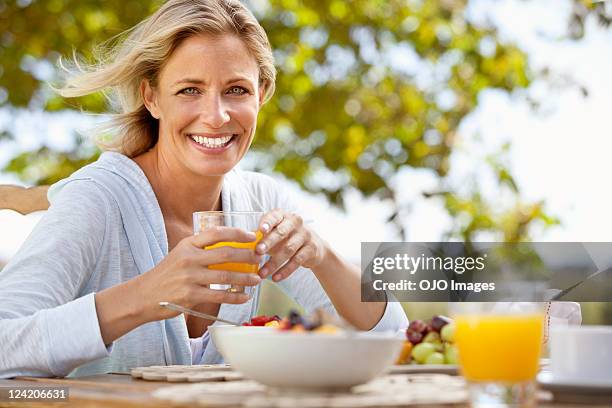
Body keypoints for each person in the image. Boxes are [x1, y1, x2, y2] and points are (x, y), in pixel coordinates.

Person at [0, 0, 408, 378]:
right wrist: (145, 295)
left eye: (237, 90)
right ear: (152, 97)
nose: (216, 116)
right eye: (189, 90)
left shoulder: (261, 203)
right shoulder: (97, 199)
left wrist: (321, 255)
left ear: (261, 95)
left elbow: (393, 338)